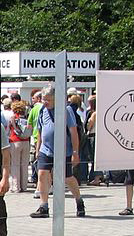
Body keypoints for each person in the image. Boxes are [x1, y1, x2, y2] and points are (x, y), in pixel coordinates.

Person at [31, 87, 84, 218]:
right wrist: (38, 149)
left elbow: (73, 132)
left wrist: (75, 152)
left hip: (63, 150)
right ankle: (44, 206)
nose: (45, 102)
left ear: (55, 99)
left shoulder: (66, 110)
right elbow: (40, 131)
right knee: (42, 174)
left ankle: (79, 201)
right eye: (44, 100)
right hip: (45, 149)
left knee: (67, 178)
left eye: (48, 100)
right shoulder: (42, 110)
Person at [6, 101, 31, 193]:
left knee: (15, 164)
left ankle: (16, 187)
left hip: (15, 141)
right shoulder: (26, 117)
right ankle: (24, 186)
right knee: (24, 164)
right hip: (26, 141)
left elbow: (8, 130)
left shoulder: (13, 117)